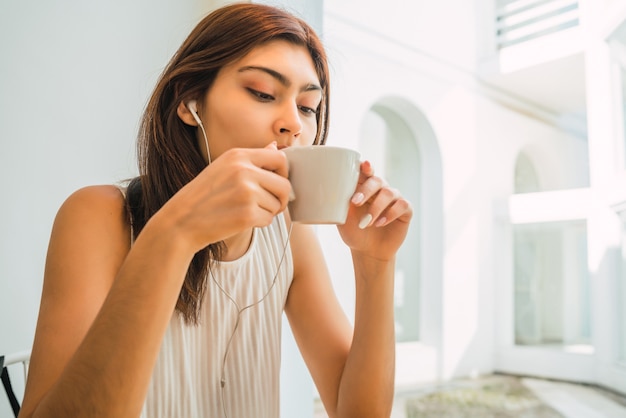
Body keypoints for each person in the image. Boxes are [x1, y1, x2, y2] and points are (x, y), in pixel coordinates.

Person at [18, 3, 412, 418]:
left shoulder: (288, 237)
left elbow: (359, 413)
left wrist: (375, 263)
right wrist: (175, 232)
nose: (294, 124)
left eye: (308, 107)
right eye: (262, 92)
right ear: (189, 100)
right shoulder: (99, 217)